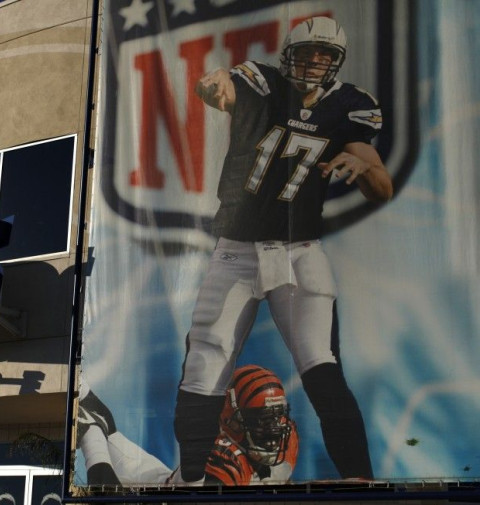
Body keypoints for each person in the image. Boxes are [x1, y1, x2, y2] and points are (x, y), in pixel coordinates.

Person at [173, 16, 392, 484]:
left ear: (336, 62)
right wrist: (214, 87)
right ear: (287, 54)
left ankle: (359, 479)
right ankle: (191, 481)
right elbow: (223, 89)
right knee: (205, 363)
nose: (314, 62)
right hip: (236, 249)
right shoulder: (262, 82)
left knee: (321, 363)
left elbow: (382, 185)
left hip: (300, 251)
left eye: (324, 55)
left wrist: (360, 163)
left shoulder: (348, 107)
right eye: (307, 51)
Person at [77, 365, 298, 487]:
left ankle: (90, 410)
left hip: (159, 477)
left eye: (276, 416)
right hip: (158, 494)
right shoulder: (225, 459)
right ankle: (91, 434)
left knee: (111, 432)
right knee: (104, 491)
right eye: (261, 418)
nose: (274, 429)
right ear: (232, 419)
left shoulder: (287, 439)